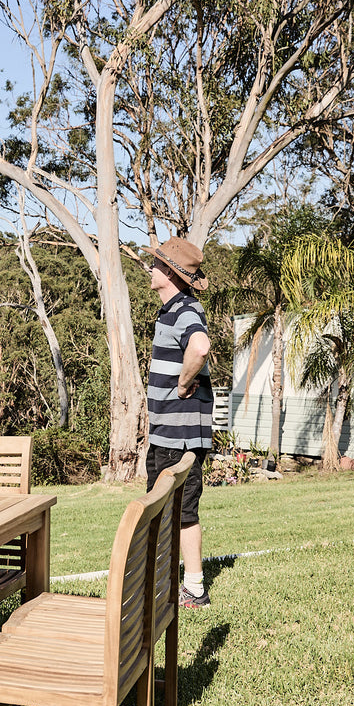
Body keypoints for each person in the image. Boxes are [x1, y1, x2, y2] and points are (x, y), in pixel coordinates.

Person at [141, 237, 213, 608]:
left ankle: (195, 588)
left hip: (179, 437)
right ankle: (163, 580)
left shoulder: (185, 309)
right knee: (160, 510)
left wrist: (184, 384)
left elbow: (200, 346)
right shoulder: (170, 310)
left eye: (155, 264)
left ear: (169, 272)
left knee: (181, 511)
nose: (149, 268)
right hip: (166, 433)